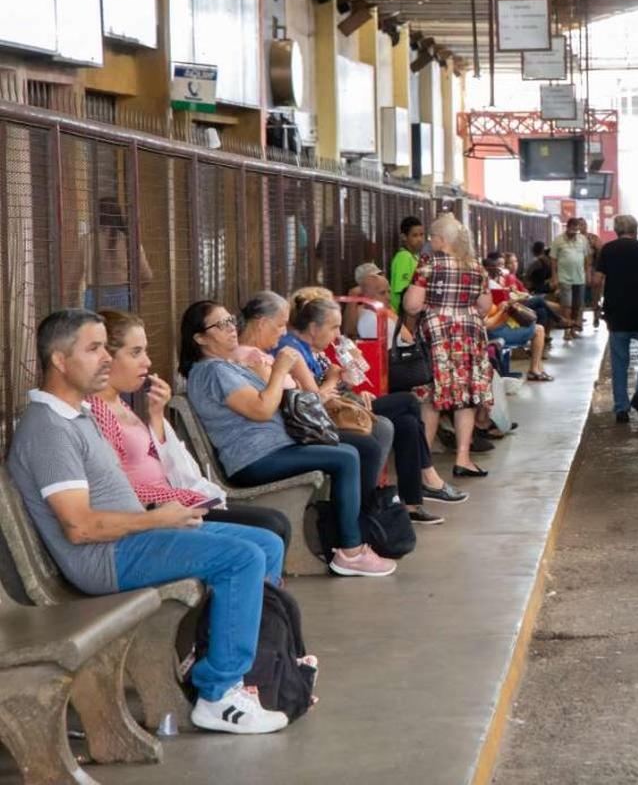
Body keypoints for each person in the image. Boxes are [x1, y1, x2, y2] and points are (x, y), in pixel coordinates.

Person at [9, 309, 291, 733]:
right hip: (106, 556)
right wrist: (158, 520)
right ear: (60, 361)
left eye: (107, 346)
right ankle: (218, 692)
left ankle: (246, 672)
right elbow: (80, 527)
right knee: (243, 559)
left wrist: (160, 519)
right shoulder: (49, 428)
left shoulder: (76, 413)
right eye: (93, 348)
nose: (106, 357)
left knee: (267, 544)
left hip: (130, 536)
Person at [179, 300, 396, 577]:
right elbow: (260, 410)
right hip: (254, 458)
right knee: (346, 457)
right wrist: (280, 370)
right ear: (199, 338)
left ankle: (354, 529)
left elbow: (267, 399)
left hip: (274, 446)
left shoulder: (227, 366)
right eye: (220, 325)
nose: (231, 329)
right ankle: (350, 551)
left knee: (361, 447)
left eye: (230, 320)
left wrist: (263, 375)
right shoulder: (213, 371)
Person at [91, 310, 292, 548]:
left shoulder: (120, 402)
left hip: (172, 502)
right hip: (157, 513)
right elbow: (116, 488)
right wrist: (179, 500)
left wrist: (156, 414)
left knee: (275, 524)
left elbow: (154, 456)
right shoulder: (96, 411)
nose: (147, 361)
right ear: (106, 358)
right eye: (136, 353)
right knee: (271, 528)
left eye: (144, 351)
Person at [277, 293, 464, 523]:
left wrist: (346, 378)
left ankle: (412, 503)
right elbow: (316, 395)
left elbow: (334, 385)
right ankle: (423, 478)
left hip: (342, 407)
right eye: (334, 327)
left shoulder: (311, 348)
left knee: (407, 422)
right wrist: (335, 377)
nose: (338, 334)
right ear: (314, 326)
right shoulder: (292, 349)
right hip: (327, 417)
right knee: (408, 402)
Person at [402, 213, 500, 477]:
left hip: (437, 333)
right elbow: (484, 306)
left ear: (441, 239)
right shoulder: (476, 265)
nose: (428, 241)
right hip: (469, 334)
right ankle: (463, 459)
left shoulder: (428, 263)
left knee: (432, 397)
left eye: (431, 237)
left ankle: (425, 468)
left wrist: (429, 306)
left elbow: (411, 305)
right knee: (466, 397)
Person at [594, 214, 638, 423]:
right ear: (635, 229)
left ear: (616, 229)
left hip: (617, 313)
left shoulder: (607, 250)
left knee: (619, 363)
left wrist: (597, 305)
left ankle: (621, 409)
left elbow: (596, 280)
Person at [484, 254, 553, 382]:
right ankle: (535, 369)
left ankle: (536, 368)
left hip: (500, 328)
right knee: (538, 328)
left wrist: (506, 306)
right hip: (496, 332)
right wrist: (503, 310)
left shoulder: (491, 291)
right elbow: (488, 324)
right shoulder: (488, 294)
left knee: (540, 317)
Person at [550, 218, 592, 341]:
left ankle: (573, 328)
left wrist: (588, 273)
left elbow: (587, 257)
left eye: (576, 229)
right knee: (566, 305)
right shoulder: (558, 240)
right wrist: (554, 276)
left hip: (579, 277)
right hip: (564, 277)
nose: (574, 232)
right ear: (567, 227)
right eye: (572, 229)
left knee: (577, 305)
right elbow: (553, 259)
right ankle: (567, 330)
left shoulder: (583, 240)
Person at [390, 216, 426, 313]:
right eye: (415, 235)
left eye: (421, 235)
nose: (419, 239)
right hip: (403, 315)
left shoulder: (416, 257)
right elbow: (403, 291)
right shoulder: (403, 257)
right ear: (404, 237)